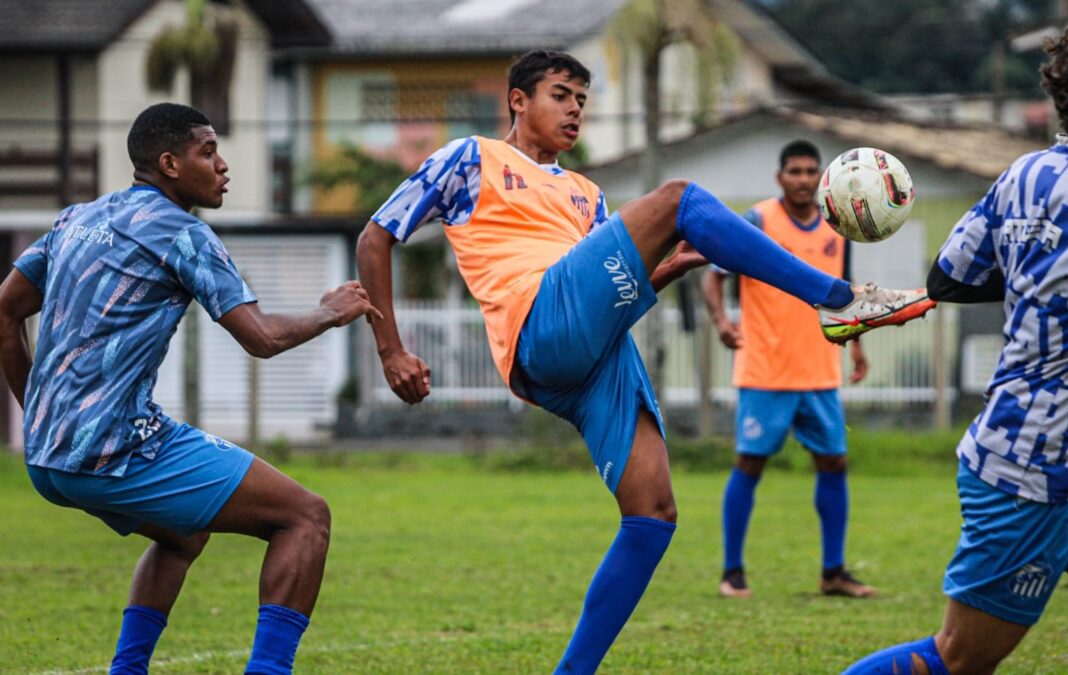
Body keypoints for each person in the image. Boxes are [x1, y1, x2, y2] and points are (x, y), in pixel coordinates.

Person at [356, 50, 934, 673]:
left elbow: (612, 300)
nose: (575, 107)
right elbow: (375, 236)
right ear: (518, 101)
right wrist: (390, 348)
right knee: (679, 197)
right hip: (537, 324)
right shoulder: (473, 159)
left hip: (587, 354)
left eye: (582, 97)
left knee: (653, 514)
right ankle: (840, 300)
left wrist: (664, 272)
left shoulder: (586, 195)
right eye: (560, 94)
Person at [843, 11, 1068, 674]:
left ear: (1065, 90)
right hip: (1033, 469)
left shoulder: (1026, 174)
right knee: (956, 659)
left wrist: (1048, 285)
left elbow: (948, 277)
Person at [0, 102, 381, 675]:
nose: (223, 165)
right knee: (305, 517)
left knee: (184, 534)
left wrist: (40, 413)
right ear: (170, 163)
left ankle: (126, 671)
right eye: (209, 152)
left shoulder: (77, 218)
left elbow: (4, 310)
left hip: (48, 457)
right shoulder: (185, 234)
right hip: (113, 448)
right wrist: (328, 311)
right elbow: (260, 338)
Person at [702, 139, 875, 600]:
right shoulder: (758, 221)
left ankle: (834, 572)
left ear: (821, 179)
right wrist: (722, 322)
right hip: (765, 371)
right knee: (750, 462)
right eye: (794, 171)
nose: (802, 179)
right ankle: (732, 571)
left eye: (809, 172)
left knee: (834, 462)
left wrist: (855, 347)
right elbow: (712, 276)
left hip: (819, 370)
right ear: (780, 178)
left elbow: (845, 296)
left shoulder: (838, 229)